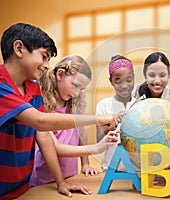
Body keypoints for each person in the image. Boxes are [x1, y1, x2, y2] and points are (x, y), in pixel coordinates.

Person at [0, 23, 119, 199]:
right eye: (44, 56)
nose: (47, 65)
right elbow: (40, 121)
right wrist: (97, 119)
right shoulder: (2, 85)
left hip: (22, 186)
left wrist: (61, 182)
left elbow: (44, 136)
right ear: (19, 48)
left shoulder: (34, 89)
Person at [29, 55, 101, 187]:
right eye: (75, 85)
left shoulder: (74, 104)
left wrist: (85, 164)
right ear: (60, 74)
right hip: (44, 181)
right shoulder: (41, 105)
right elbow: (55, 148)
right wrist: (96, 148)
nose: (77, 93)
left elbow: (81, 132)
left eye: (82, 89)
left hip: (71, 177)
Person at [96, 55, 135, 171]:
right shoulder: (103, 105)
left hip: (136, 169)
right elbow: (99, 141)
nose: (124, 86)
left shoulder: (140, 105)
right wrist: (111, 123)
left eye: (128, 80)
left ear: (134, 78)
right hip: (110, 168)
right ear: (111, 81)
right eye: (118, 81)